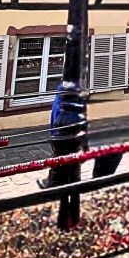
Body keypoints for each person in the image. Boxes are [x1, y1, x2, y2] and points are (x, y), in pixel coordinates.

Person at [39, 79, 88, 230]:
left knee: (68, 178)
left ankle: (67, 219)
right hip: (68, 140)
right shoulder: (73, 92)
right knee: (68, 180)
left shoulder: (62, 90)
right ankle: (58, 219)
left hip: (59, 139)